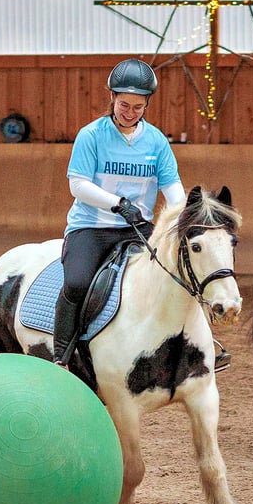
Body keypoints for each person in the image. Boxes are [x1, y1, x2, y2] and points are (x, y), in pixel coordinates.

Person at [53, 58, 230, 371]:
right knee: (78, 283)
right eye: (124, 104)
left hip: (138, 228)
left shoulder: (156, 142)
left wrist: (184, 215)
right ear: (112, 98)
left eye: (137, 107)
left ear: (147, 104)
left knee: (184, 270)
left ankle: (203, 347)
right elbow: (77, 185)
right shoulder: (91, 136)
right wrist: (118, 203)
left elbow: (172, 187)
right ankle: (61, 354)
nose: (129, 112)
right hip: (92, 227)